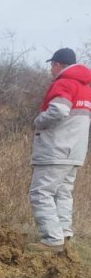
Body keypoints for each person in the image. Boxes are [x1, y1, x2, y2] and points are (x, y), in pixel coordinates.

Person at [28, 48, 91, 251]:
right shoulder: (85, 87)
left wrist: (38, 121)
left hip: (56, 149)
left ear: (57, 65)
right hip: (75, 151)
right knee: (63, 192)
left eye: (51, 65)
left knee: (40, 192)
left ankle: (52, 240)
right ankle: (64, 233)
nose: (50, 70)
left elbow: (59, 110)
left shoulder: (64, 82)